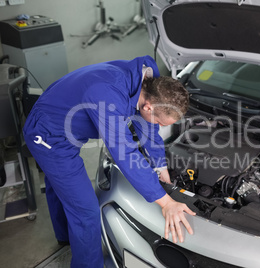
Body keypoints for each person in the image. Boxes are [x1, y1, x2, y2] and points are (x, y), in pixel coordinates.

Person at [23, 55, 196, 267]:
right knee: (86, 211)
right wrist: (166, 202)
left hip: (63, 117)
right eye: (160, 121)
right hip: (48, 134)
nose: (159, 125)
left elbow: (148, 128)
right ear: (149, 107)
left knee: (60, 186)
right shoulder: (108, 95)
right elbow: (124, 152)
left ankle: (65, 236)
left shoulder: (149, 84)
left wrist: (160, 167)